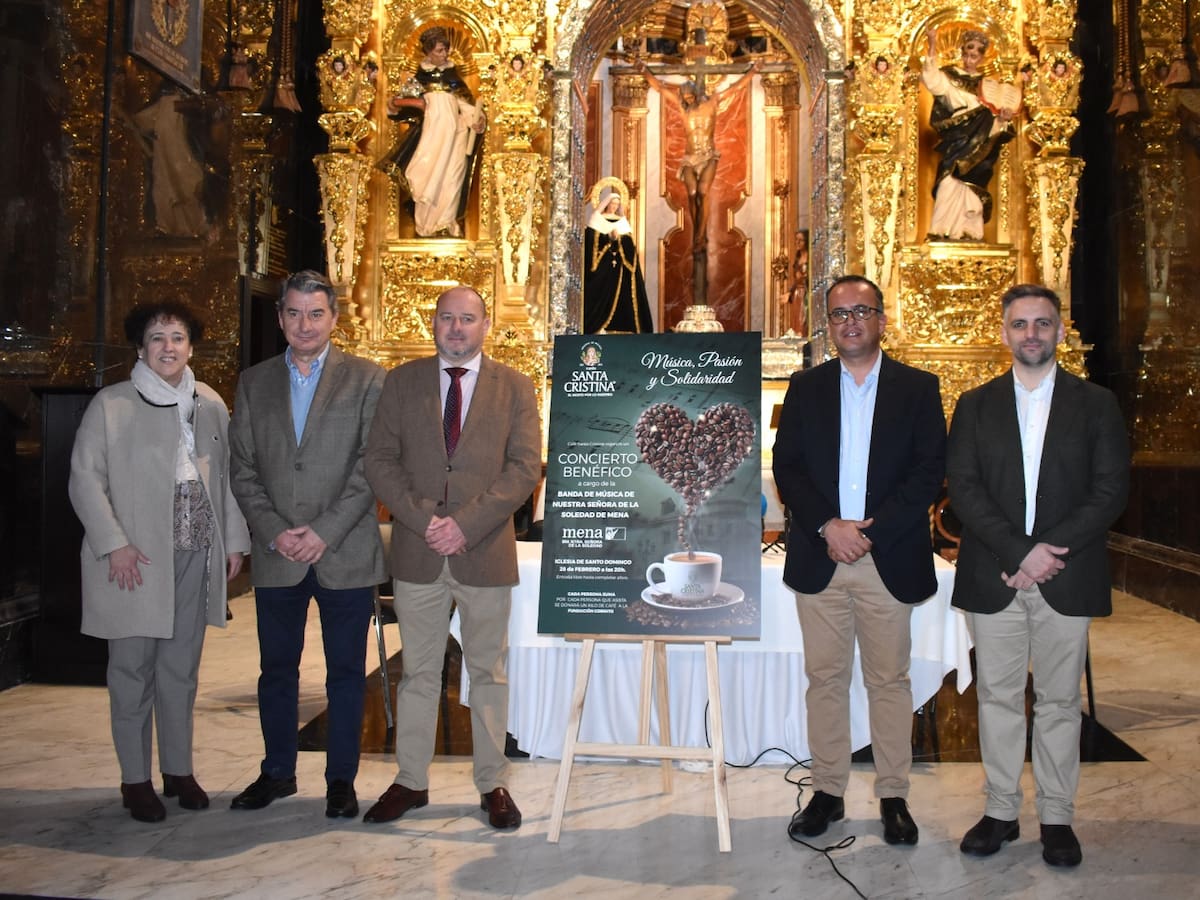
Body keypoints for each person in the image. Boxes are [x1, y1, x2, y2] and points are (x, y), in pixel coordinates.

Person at [947, 284, 1130, 868]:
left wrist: (1050, 553)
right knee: (998, 697)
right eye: (1021, 324)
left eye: (1043, 324)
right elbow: (965, 491)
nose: (1031, 334)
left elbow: (1110, 491)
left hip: (1066, 575)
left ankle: (1057, 817)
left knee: (1057, 702)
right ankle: (1000, 810)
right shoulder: (974, 405)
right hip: (995, 574)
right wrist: (1019, 552)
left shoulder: (1096, 403)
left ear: (1058, 331)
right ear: (1003, 332)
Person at [773, 275, 946, 846]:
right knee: (824, 678)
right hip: (821, 556)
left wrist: (867, 534)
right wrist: (829, 525)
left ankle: (894, 796)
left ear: (881, 319)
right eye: (840, 314)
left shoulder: (918, 388)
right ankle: (828, 792)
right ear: (828, 325)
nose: (850, 322)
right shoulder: (805, 387)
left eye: (862, 311)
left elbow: (928, 471)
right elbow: (789, 466)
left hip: (885, 556)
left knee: (888, 681)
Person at [362, 285, 541, 829]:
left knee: (488, 671)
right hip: (419, 551)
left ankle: (493, 784)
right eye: (446, 319)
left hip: (484, 552)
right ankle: (410, 781)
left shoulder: (514, 387)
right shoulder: (402, 382)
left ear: (486, 325)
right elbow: (380, 461)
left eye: (467, 319)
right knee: (417, 673)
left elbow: (524, 467)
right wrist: (423, 520)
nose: (456, 328)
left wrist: (465, 524)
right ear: (433, 324)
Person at [68, 302, 250, 823]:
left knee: (181, 668)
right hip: (136, 556)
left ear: (191, 346)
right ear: (140, 348)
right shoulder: (112, 403)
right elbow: (84, 479)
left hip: (196, 548)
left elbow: (227, 481)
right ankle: (135, 779)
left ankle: (178, 770)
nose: (167, 347)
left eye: (177, 337)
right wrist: (113, 544)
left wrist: (233, 541)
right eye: (156, 338)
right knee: (131, 670)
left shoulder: (210, 402)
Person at [227, 270, 386, 819]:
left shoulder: (368, 379)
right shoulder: (253, 382)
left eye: (315, 313)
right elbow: (242, 468)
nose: (304, 324)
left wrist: (324, 531)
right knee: (277, 671)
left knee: (345, 672)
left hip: (343, 550)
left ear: (334, 318)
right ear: (279, 318)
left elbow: (373, 467)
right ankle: (277, 772)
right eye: (293, 313)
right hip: (278, 554)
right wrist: (274, 530)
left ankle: (340, 780)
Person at [639, 60, 758, 253]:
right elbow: (661, 89)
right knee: (692, 194)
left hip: (708, 155)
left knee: (702, 192)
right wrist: (644, 72)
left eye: (689, 97)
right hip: (690, 157)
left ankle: (700, 236)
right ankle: (698, 233)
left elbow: (736, 88)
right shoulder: (682, 108)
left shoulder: (712, 103)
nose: (686, 100)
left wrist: (753, 71)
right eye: (684, 98)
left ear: (695, 94)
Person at [379, 26, 485, 238]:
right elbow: (403, 106)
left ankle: (447, 223)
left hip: (455, 137)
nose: (444, 54)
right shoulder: (420, 78)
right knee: (426, 176)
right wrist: (395, 105)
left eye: (445, 50)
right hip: (430, 137)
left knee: (452, 178)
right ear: (428, 51)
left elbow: (465, 104)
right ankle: (426, 226)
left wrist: (478, 119)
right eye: (439, 50)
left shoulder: (453, 77)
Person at [921, 28, 1018, 241]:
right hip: (957, 136)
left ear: (982, 57)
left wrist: (1003, 118)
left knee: (972, 185)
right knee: (948, 182)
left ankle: (969, 231)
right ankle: (941, 230)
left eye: (975, 55)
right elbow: (932, 81)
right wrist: (932, 44)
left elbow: (995, 124)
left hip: (980, 140)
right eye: (966, 53)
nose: (969, 59)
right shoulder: (950, 76)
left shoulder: (988, 87)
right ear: (961, 52)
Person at [583, 193, 654, 333]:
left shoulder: (622, 222)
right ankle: (598, 326)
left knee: (624, 295)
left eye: (617, 204)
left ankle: (623, 326)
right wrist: (607, 238)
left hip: (620, 269)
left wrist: (619, 239)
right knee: (600, 294)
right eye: (612, 203)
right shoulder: (597, 220)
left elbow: (629, 246)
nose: (614, 206)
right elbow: (591, 241)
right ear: (607, 204)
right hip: (602, 269)